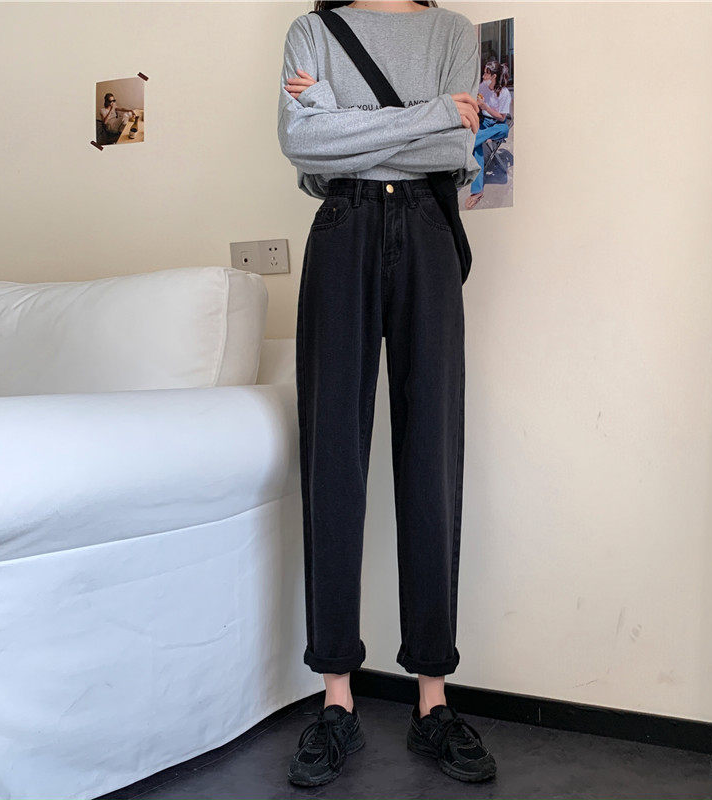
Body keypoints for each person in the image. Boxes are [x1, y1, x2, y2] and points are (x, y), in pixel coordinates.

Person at [277, 0, 497, 786]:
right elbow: (302, 144)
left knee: (431, 457)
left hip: (429, 236)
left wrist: (342, 121)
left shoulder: (453, 33)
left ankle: (432, 701)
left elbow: (455, 150)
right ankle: (336, 699)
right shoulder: (311, 30)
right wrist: (433, 112)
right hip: (342, 231)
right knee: (332, 460)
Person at [465, 59, 512, 209]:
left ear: (493, 76)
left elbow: (502, 118)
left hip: (497, 124)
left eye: (486, 73)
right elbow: (478, 106)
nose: (483, 75)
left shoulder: (504, 93)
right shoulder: (482, 87)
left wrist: (485, 106)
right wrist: (477, 104)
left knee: (504, 129)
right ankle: (477, 191)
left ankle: (473, 139)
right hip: (484, 121)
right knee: (477, 147)